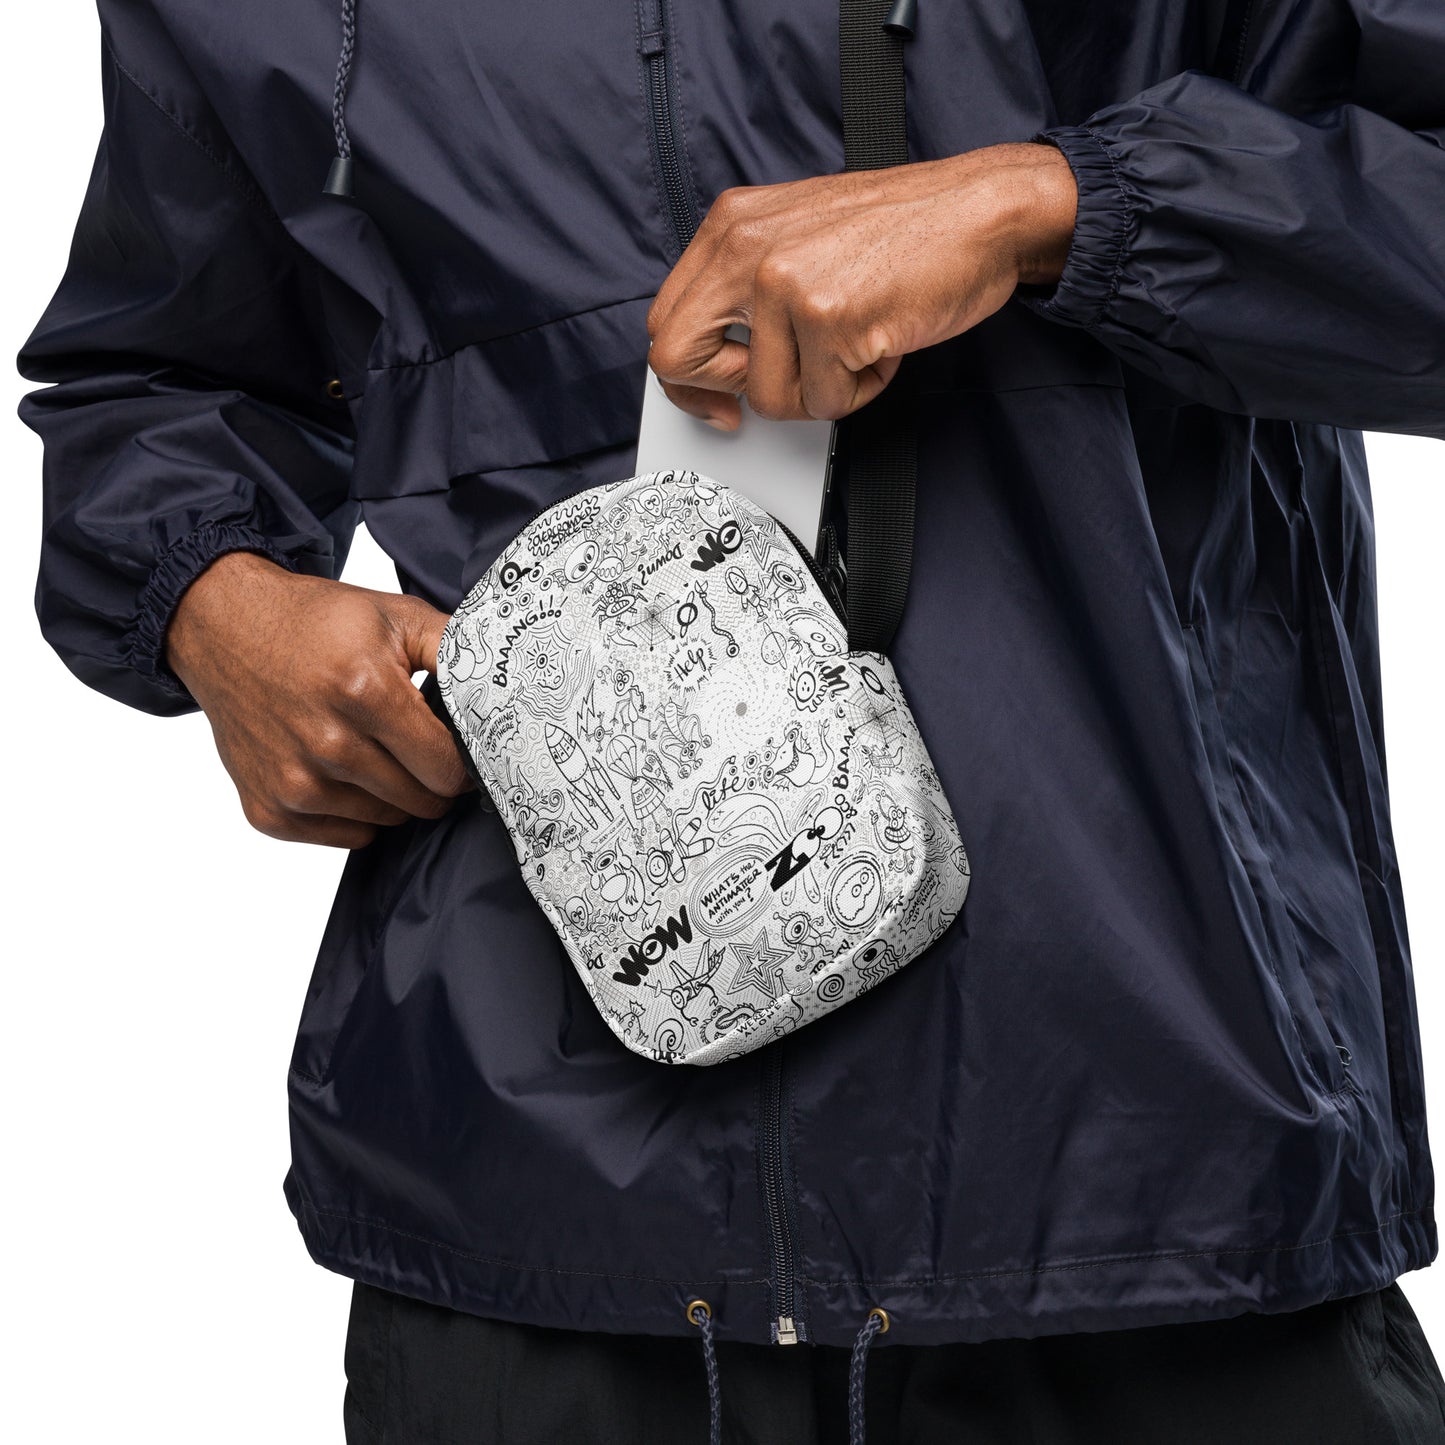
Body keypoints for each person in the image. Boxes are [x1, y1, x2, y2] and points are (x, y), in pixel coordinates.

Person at [18, 0, 1445, 1440]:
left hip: (1159, 1182)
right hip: (533, 1222)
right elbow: (159, 370)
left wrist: (1044, 205)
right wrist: (213, 602)